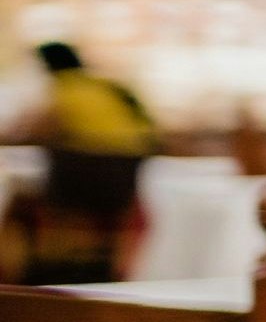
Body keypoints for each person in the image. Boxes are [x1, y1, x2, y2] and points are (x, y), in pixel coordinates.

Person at [13, 43, 158, 283]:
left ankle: (28, 277)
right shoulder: (107, 86)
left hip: (76, 185)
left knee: (20, 203)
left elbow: (39, 128)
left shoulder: (65, 86)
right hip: (123, 184)